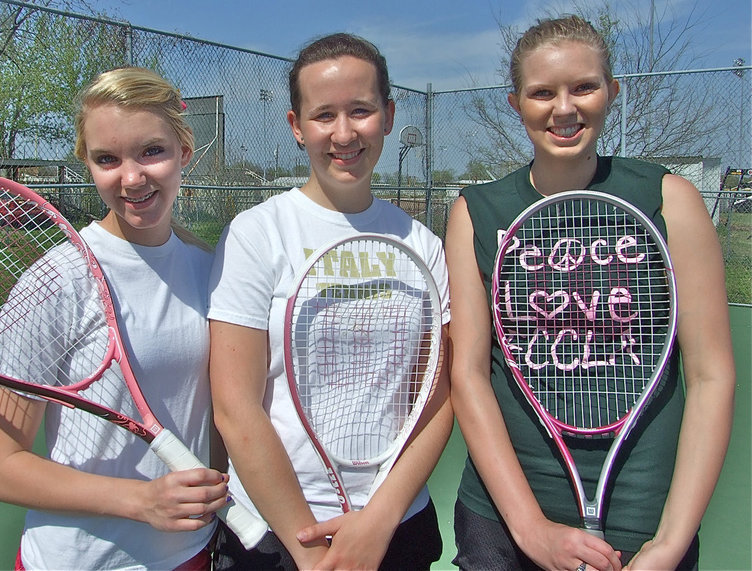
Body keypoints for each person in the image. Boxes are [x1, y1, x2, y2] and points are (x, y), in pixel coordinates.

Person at [445, 15, 736, 571]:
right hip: (501, 523)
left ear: (612, 92)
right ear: (516, 103)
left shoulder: (670, 199)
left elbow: (710, 376)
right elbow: (470, 376)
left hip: (641, 522)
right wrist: (531, 529)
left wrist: (670, 543)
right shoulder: (474, 213)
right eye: (541, 93)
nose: (563, 108)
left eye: (584, 86)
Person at [208, 32, 453, 570]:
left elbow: (435, 403)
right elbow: (235, 407)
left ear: (387, 116)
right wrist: (309, 549)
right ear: (297, 127)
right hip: (279, 537)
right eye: (323, 116)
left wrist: (380, 520)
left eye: (361, 110)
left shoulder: (423, 245)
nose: (344, 133)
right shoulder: (258, 234)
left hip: (397, 531)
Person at [0, 66, 229, 570]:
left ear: (185, 153)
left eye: (151, 151)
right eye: (107, 159)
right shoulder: (58, 281)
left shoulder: (210, 270)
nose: (131, 178)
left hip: (192, 555)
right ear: (87, 164)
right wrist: (140, 501)